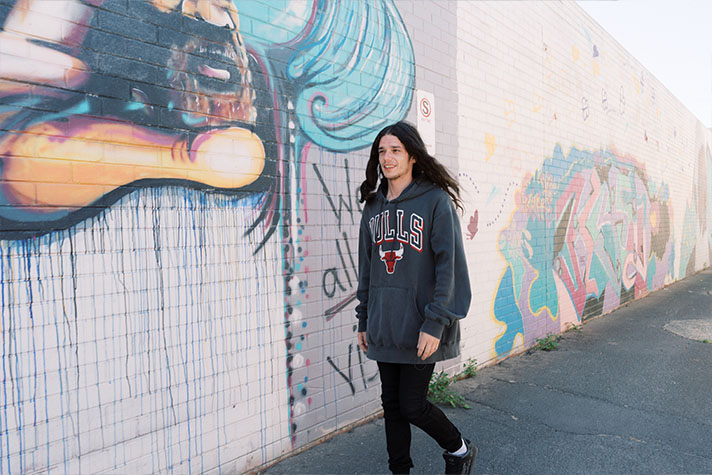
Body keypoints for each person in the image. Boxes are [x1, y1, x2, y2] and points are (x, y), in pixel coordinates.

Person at [356, 121, 475, 474]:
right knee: (391, 406)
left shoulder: (435, 201)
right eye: (382, 151)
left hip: (422, 325)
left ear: (412, 156)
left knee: (412, 405)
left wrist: (435, 323)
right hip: (383, 323)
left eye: (395, 150)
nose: (387, 157)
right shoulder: (373, 206)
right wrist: (364, 319)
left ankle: (459, 449)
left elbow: (448, 268)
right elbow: (368, 268)